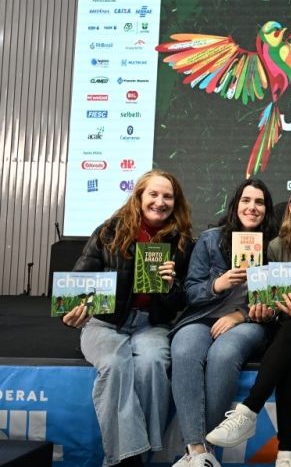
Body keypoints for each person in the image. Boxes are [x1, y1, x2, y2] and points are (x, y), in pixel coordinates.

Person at [206, 180, 291, 467]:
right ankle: (286, 454)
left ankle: (249, 409)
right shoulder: (275, 246)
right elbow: (268, 297)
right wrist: (263, 309)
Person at [62, 170, 193, 467]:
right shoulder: (109, 231)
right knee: (115, 364)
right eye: (153, 194)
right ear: (139, 197)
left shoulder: (183, 242)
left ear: (176, 202)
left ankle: (134, 453)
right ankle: (129, 459)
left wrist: (172, 285)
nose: (160, 202)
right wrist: (71, 312)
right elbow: (79, 282)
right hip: (105, 324)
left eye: (168, 196)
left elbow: (183, 301)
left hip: (152, 325)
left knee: (153, 363)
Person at [169, 179, 277, 467]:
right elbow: (190, 291)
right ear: (235, 205)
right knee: (184, 349)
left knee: (223, 353)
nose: (252, 207)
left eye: (259, 202)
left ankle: (201, 451)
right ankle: (198, 451)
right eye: (246, 200)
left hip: (248, 322)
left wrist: (239, 315)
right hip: (202, 316)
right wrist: (217, 284)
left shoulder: (276, 244)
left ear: (266, 210)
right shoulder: (210, 239)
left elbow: (278, 297)